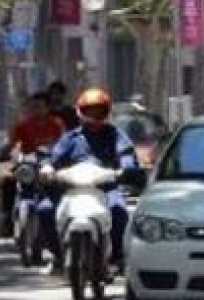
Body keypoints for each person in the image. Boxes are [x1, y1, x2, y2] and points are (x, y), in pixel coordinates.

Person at [45, 88, 142, 273]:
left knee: (119, 211)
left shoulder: (116, 135)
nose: (94, 116)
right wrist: (48, 168)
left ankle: (117, 257)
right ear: (80, 112)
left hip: (105, 187)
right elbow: (53, 157)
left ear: (106, 112)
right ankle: (56, 254)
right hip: (72, 188)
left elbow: (127, 154)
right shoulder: (71, 138)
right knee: (45, 209)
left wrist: (126, 169)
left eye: (99, 111)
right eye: (89, 111)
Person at [0, 92, 66, 236]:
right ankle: (7, 218)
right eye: (34, 106)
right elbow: (13, 144)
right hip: (28, 165)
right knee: (8, 180)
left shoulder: (57, 124)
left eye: (40, 106)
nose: (36, 110)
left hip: (49, 166)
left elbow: (64, 144)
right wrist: (3, 155)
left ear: (48, 107)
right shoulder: (23, 124)